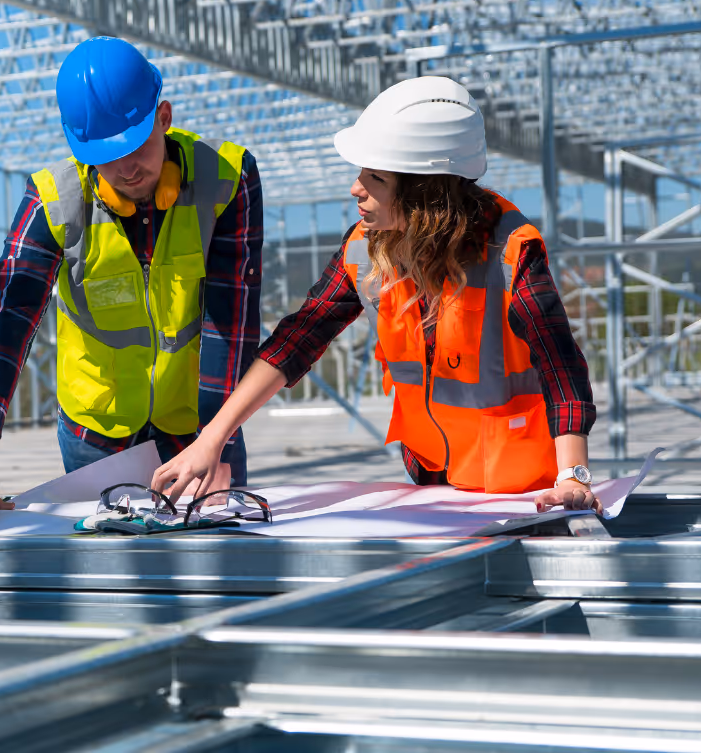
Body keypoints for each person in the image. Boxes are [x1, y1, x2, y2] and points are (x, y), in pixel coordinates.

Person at [152, 76, 601, 515]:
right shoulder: (364, 250)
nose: (355, 188)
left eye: (375, 178)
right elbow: (298, 339)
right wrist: (210, 440)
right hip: (436, 489)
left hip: (526, 495)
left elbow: (560, 365)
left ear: (425, 194)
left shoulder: (510, 252)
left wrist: (574, 476)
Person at [0, 36, 264, 524]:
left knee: (214, 561)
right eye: (106, 155)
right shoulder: (54, 202)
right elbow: (10, 315)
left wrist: (217, 437)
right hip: (96, 434)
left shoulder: (226, 179)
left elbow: (231, 324)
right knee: (114, 578)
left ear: (164, 117)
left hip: (198, 421)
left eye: (137, 146)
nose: (127, 168)